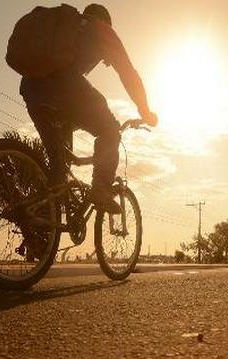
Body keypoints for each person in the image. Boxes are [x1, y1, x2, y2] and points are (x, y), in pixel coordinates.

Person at [20, 3, 158, 214]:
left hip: (31, 88)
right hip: (64, 84)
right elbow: (129, 74)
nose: (103, 61)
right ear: (104, 21)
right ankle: (100, 188)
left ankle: (43, 227)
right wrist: (145, 111)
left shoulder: (67, 27)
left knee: (58, 169)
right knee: (110, 129)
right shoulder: (102, 29)